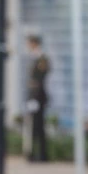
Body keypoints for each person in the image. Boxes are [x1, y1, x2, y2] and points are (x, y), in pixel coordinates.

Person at [26, 34, 50, 162]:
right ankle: (33, 153)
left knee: (39, 125)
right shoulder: (33, 58)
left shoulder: (41, 58)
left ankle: (41, 154)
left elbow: (41, 77)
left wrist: (34, 87)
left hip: (38, 96)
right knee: (33, 125)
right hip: (33, 96)